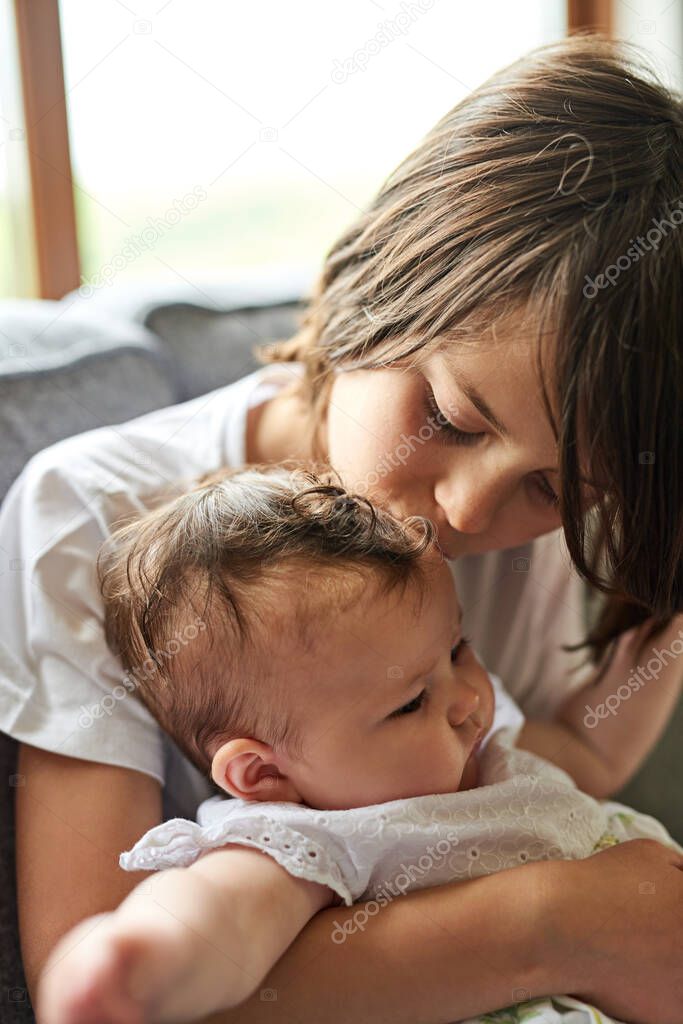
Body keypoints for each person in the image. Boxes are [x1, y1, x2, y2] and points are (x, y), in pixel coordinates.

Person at [3, 34, 682, 1024]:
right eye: (449, 418)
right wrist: (561, 923)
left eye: (546, 489)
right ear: (376, 280)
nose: (467, 513)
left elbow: (560, 760)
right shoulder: (96, 514)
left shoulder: (520, 541)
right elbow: (104, 982)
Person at [35, 466, 681, 1024]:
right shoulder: (311, 839)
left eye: (457, 650)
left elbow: (587, 750)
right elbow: (226, 916)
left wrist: (664, 628)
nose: (465, 697)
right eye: (410, 703)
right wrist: (131, 960)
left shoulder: (489, 751)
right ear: (262, 774)